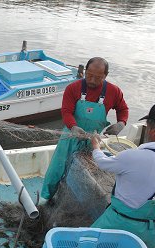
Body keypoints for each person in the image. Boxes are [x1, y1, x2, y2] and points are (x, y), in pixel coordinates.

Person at [40, 57, 129, 203]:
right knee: (56, 169)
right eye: (89, 75)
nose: (92, 80)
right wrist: (73, 127)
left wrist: (121, 123)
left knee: (84, 172)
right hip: (70, 136)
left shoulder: (114, 91)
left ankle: (72, 198)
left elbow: (123, 109)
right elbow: (66, 112)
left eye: (98, 77)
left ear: (105, 75)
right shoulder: (73, 88)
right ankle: (46, 198)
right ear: (85, 71)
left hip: (92, 140)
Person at [90, 103, 155, 248]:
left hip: (118, 226)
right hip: (151, 234)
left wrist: (96, 147)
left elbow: (102, 163)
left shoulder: (134, 156)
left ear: (153, 130)